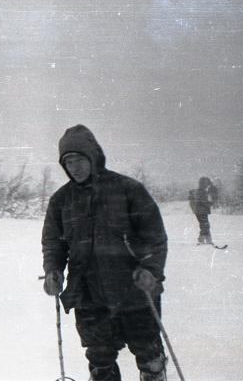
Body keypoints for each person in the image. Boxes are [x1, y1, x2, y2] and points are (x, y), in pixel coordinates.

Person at [41, 125, 168, 381]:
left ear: (93, 157)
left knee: (149, 356)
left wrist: (151, 270)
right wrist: (53, 271)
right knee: (100, 361)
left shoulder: (128, 189)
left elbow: (154, 236)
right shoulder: (61, 200)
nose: (74, 167)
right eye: (68, 162)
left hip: (134, 290)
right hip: (88, 293)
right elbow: (54, 242)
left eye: (79, 159)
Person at [191, 177, 219, 245]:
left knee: (205, 225)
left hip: (201, 210)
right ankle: (202, 240)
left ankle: (206, 240)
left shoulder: (203, 190)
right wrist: (211, 203)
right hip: (201, 211)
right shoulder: (201, 191)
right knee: (204, 225)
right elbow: (203, 201)